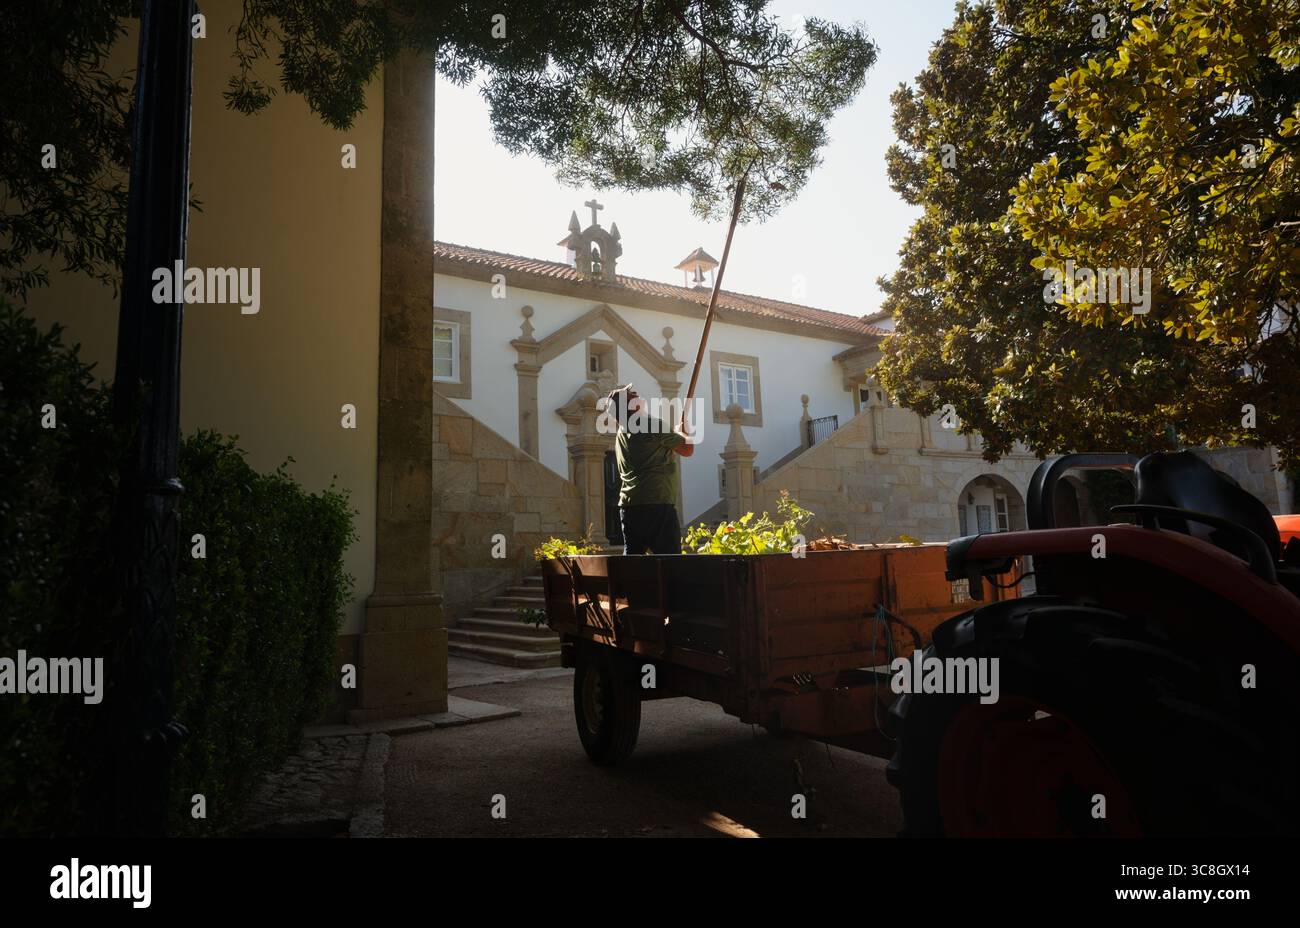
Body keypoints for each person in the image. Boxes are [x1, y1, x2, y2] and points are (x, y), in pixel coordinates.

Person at [603, 384, 695, 554]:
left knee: (634, 562)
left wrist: (675, 433)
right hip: (657, 502)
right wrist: (684, 432)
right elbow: (687, 449)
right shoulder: (651, 424)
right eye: (631, 394)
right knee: (670, 562)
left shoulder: (621, 433)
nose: (636, 392)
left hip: (629, 506)